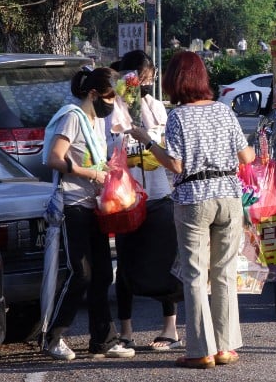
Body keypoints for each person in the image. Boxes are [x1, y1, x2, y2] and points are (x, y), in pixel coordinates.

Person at [127, 50, 255, 369]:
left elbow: (176, 164)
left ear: (174, 81)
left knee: (196, 275)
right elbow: (247, 157)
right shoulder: (224, 112)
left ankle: (201, 351)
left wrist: (147, 141)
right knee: (224, 273)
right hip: (228, 195)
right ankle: (225, 347)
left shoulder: (178, 117)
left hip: (194, 197)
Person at [42, 67, 135, 360]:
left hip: (93, 205)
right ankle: (53, 336)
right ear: (93, 94)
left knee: (103, 273)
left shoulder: (94, 122)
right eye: (108, 97)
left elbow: (93, 159)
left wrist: (107, 171)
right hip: (72, 204)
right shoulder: (72, 116)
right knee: (80, 273)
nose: (111, 103)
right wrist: (90, 174)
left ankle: (102, 340)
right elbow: (53, 158)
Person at [108, 50, 182, 352]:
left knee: (166, 261)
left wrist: (146, 121)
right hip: (125, 198)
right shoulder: (111, 107)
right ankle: (125, 330)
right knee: (126, 263)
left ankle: (170, 328)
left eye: (148, 80)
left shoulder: (154, 107)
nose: (143, 85)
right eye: (139, 79)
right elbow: (107, 144)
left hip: (159, 193)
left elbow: (166, 143)